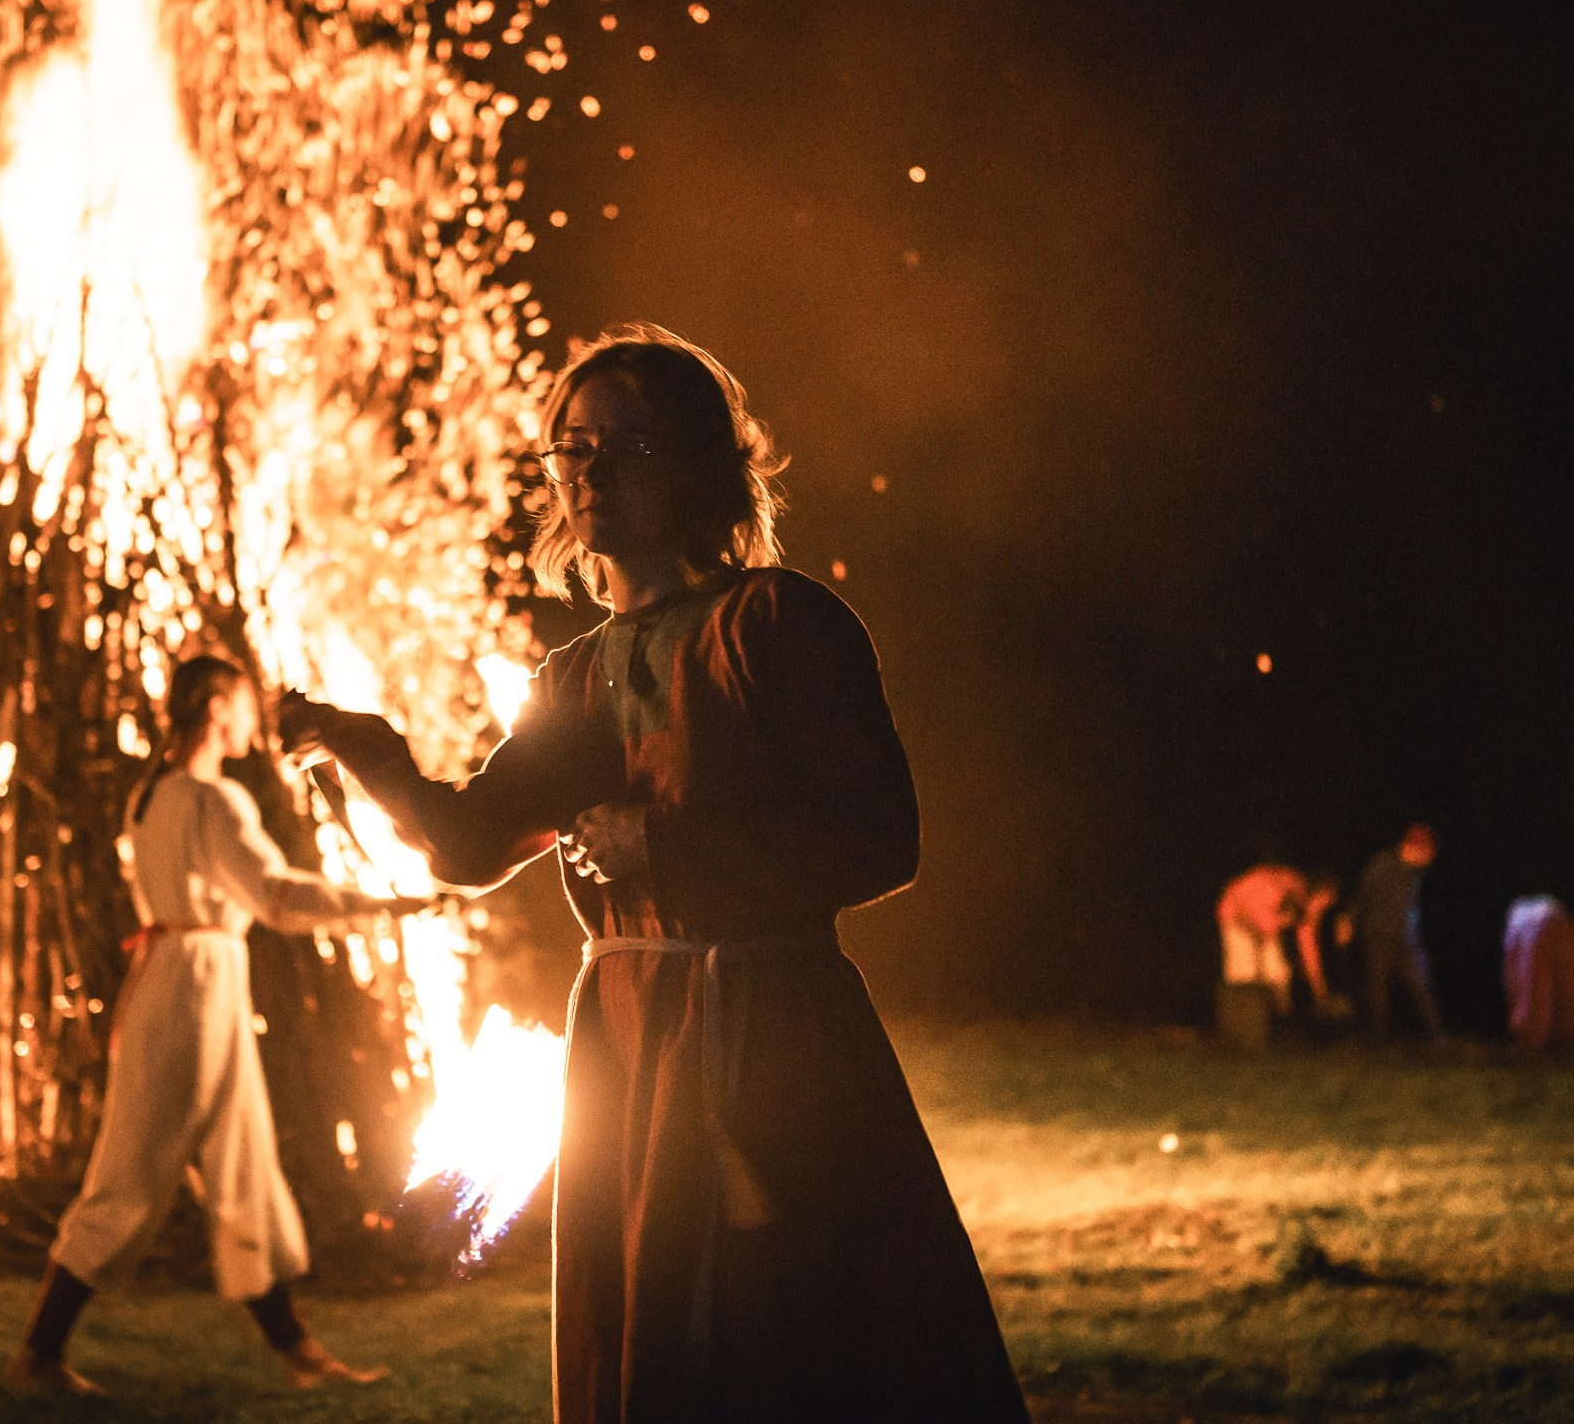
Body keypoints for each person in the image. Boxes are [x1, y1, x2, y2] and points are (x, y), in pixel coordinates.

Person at [281, 325, 1027, 1423]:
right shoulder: (575, 675)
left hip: (768, 1032)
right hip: (631, 1044)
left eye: (626, 448)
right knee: (657, 1340)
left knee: (785, 1336)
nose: (589, 474)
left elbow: (879, 834)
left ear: (698, 467)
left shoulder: (777, 622)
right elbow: (470, 846)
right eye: (570, 450)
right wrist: (365, 750)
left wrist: (668, 848)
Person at [9, 654, 420, 1393]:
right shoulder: (209, 799)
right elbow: (272, 894)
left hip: (191, 980)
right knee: (133, 1170)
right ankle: (38, 1351)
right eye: (237, 701)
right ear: (212, 707)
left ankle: (299, 1352)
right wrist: (375, 905)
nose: (250, 718)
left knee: (244, 1170)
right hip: (192, 989)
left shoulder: (155, 796)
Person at [1343, 822, 1445, 1042]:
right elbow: (1363, 895)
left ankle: (1438, 1037)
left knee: (1421, 986)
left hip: (1407, 939)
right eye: (1427, 851)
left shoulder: (1415, 871)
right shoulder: (1382, 865)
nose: (1430, 857)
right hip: (1379, 936)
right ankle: (1377, 1038)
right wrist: (1349, 922)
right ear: (1412, 847)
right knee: (1377, 988)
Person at [1214, 864, 1338, 1041]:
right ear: (1317, 892)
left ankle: (1279, 1027)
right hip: (1236, 916)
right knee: (1244, 974)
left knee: (1278, 972)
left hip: (1267, 921)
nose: (1321, 911)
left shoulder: (1302, 906)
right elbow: (1248, 911)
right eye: (1322, 903)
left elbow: (1307, 946)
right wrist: (1277, 923)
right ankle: (1242, 1034)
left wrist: (1319, 988)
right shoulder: (1278, 887)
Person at [1500, 896, 1574, 1050]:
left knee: (1534, 988)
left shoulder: (1516, 917)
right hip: (1560, 915)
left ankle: (1534, 1039)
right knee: (1572, 984)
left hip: (1531, 922)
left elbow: (1517, 979)